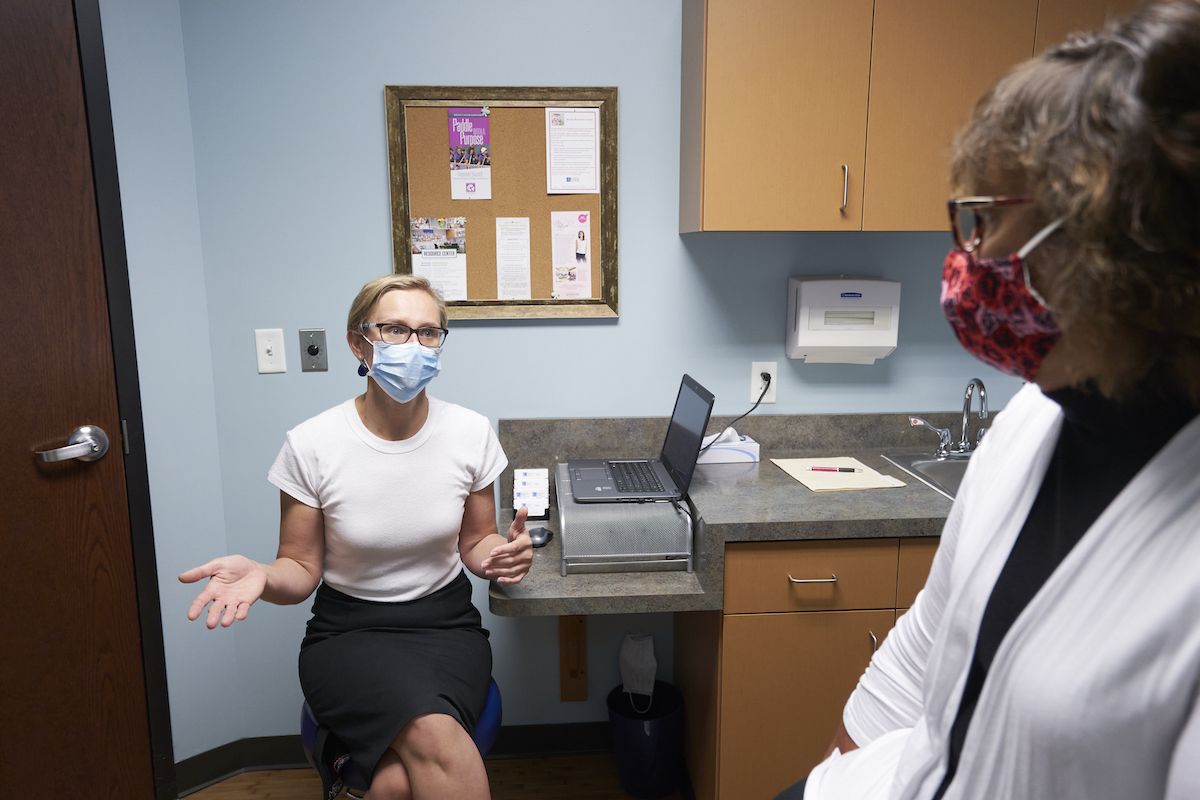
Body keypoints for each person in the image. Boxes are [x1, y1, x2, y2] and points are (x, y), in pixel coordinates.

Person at [778, 3, 1200, 798]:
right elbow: (930, 640)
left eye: (987, 221)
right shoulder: (1031, 419)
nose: (970, 260)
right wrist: (830, 778)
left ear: (1108, 248)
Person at [180, 274, 533, 800]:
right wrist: (261, 574)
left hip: (445, 628)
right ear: (358, 342)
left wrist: (499, 557)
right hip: (349, 634)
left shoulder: (470, 433)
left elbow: (475, 542)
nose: (413, 346)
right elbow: (298, 570)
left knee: (391, 784)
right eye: (394, 329)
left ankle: (348, 774)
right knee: (437, 739)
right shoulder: (313, 444)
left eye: (428, 332)